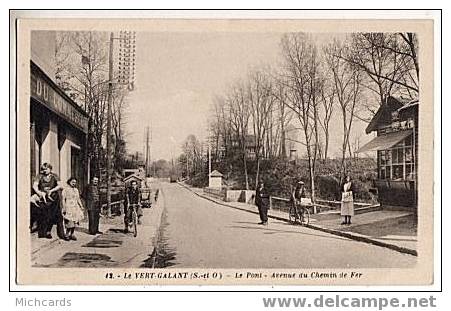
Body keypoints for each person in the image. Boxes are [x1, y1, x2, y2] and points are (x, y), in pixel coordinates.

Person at [32, 163, 63, 239]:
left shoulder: (54, 176)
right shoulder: (39, 176)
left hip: (53, 198)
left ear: (50, 169)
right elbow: (34, 186)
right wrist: (39, 192)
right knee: (43, 215)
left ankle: (49, 231)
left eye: (46, 169)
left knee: (52, 215)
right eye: (43, 169)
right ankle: (42, 232)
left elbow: (60, 185)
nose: (44, 171)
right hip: (43, 198)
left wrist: (52, 190)